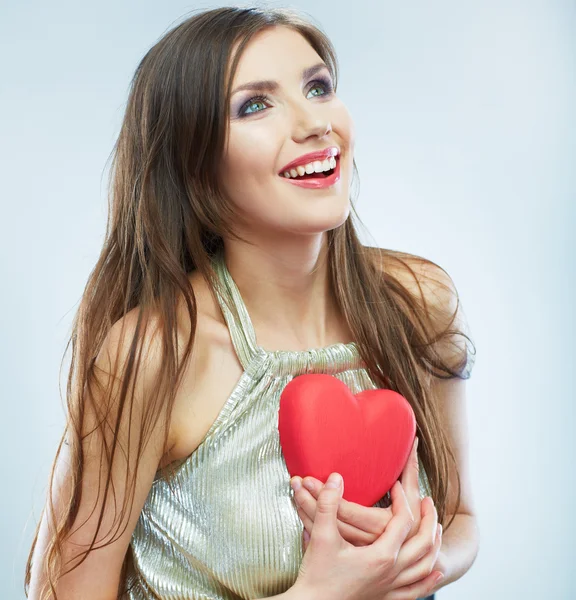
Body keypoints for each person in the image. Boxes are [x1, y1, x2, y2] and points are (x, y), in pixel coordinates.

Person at [25, 6, 479, 600]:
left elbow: (461, 516)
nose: (314, 122)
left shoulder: (419, 304)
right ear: (196, 164)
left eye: (317, 87)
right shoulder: (155, 352)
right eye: (255, 105)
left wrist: (427, 556)